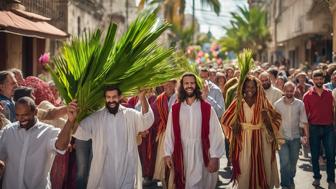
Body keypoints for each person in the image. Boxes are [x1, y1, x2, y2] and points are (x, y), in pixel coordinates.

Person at [72, 85, 154, 188]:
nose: (111, 100)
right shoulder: (97, 118)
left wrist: (143, 98)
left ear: (120, 97)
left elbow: (146, 121)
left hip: (126, 171)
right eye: (108, 97)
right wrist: (72, 118)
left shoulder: (130, 115)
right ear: (105, 98)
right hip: (104, 175)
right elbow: (78, 131)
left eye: (114, 97)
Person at [0, 97, 78, 188]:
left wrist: (70, 121)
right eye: (18, 115)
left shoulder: (49, 132)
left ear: (35, 112)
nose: (21, 119)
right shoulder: (8, 131)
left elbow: (61, 146)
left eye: (25, 115)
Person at [164, 73, 225, 188]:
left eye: (192, 83)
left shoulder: (207, 108)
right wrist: (167, 153)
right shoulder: (175, 109)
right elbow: (170, 133)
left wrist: (215, 156)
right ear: (182, 86)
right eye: (186, 83)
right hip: (182, 154)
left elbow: (216, 133)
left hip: (202, 153)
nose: (189, 86)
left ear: (196, 85)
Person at [222, 75, 282, 189]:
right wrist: (235, 126)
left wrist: (267, 119)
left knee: (263, 166)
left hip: (262, 140)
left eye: (253, 87)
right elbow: (225, 120)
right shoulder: (238, 102)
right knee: (244, 169)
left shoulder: (263, 102)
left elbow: (277, 118)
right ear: (243, 88)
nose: (250, 89)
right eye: (247, 87)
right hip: (243, 140)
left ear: (257, 88)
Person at [303, 70, 335, 188]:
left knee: (331, 155)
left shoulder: (330, 93)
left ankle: (331, 180)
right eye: (316, 79)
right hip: (314, 127)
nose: (318, 81)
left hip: (329, 128)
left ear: (324, 79)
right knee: (315, 155)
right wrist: (305, 133)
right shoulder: (307, 96)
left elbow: (334, 110)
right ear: (312, 80)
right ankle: (316, 177)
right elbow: (304, 116)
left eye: (320, 79)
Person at [274, 82, 309, 189]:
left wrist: (306, 136)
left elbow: (304, 121)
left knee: (293, 162)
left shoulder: (300, 104)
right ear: (284, 91)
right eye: (287, 91)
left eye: (291, 91)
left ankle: (290, 178)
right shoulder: (277, 104)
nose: (289, 93)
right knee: (284, 162)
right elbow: (274, 122)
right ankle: (285, 184)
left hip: (296, 137)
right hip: (282, 138)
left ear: (294, 91)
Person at [153, 80, 177, 188]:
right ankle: (165, 185)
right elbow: (154, 117)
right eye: (165, 84)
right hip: (163, 134)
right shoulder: (159, 99)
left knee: (176, 161)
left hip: (177, 134)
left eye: (170, 84)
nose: (167, 86)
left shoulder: (180, 98)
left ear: (174, 85)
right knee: (163, 162)